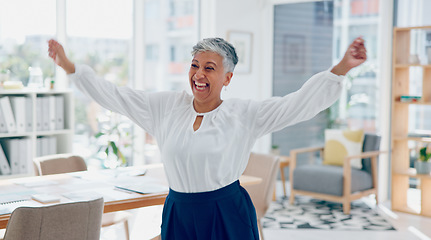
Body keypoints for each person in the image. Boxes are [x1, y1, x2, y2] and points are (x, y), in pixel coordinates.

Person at [48, 36, 366, 239]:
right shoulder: (165, 107)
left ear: (227, 78)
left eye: (210, 68)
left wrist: (341, 68)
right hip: (179, 212)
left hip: (226, 212)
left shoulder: (244, 114)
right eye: (195, 66)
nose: (199, 75)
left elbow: (296, 104)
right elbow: (114, 96)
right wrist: (70, 67)